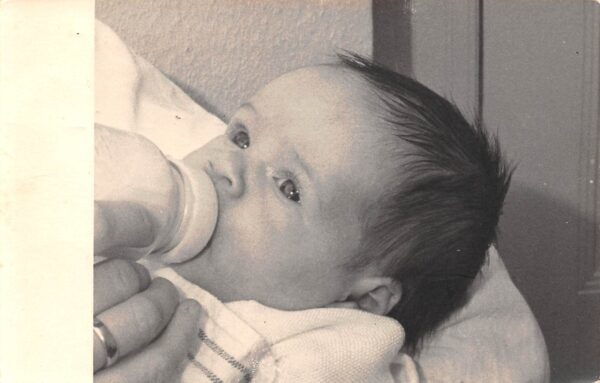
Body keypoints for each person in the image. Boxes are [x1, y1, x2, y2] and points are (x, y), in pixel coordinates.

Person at [93, 53, 513, 382]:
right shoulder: (141, 232)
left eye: (287, 188)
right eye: (242, 137)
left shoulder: (330, 350)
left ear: (363, 298)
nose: (225, 167)